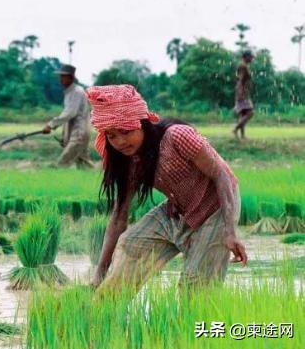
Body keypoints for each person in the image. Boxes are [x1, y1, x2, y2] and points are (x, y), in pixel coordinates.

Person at [87, 85, 247, 294]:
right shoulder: (129, 161)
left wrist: (229, 231)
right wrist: (99, 273)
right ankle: (107, 311)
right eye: (111, 136)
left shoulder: (177, 137)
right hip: (179, 209)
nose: (120, 142)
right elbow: (119, 218)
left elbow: (222, 175)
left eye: (126, 132)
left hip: (215, 208)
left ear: (142, 124)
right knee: (131, 244)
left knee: (195, 286)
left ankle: (192, 323)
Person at [42, 64, 96, 168]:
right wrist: (65, 137)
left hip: (79, 132)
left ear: (71, 77)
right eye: (60, 76)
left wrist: (51, 124)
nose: (60, 79)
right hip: (76, 132)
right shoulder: (69, 93)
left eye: (63, 76)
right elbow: (69, 118)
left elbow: (70, 113)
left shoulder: (77, 92)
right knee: (84, 164)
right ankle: (94, 181)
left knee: (62, 163)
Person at [233, 50, 255, 139]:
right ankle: (235, 129)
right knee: (250, 113)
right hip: (242, 93)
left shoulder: (244, 65)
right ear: (246, 57)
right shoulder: (243, 66)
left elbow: (239, 79)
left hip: (243, 91)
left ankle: (242, 135)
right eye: (251, 57)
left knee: (243, 114)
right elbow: (240, 80)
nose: (252, 59)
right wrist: (240, 92)